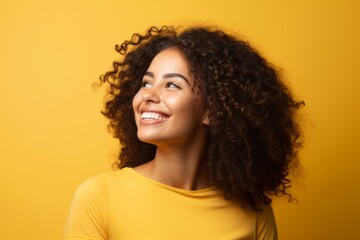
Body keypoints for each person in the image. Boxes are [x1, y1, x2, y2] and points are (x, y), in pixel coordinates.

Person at [64, 26, 303, 240]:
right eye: (146, 83)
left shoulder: (254, 212)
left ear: (212, 111)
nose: (148, 95)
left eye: (172, 85)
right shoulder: (100, 196)